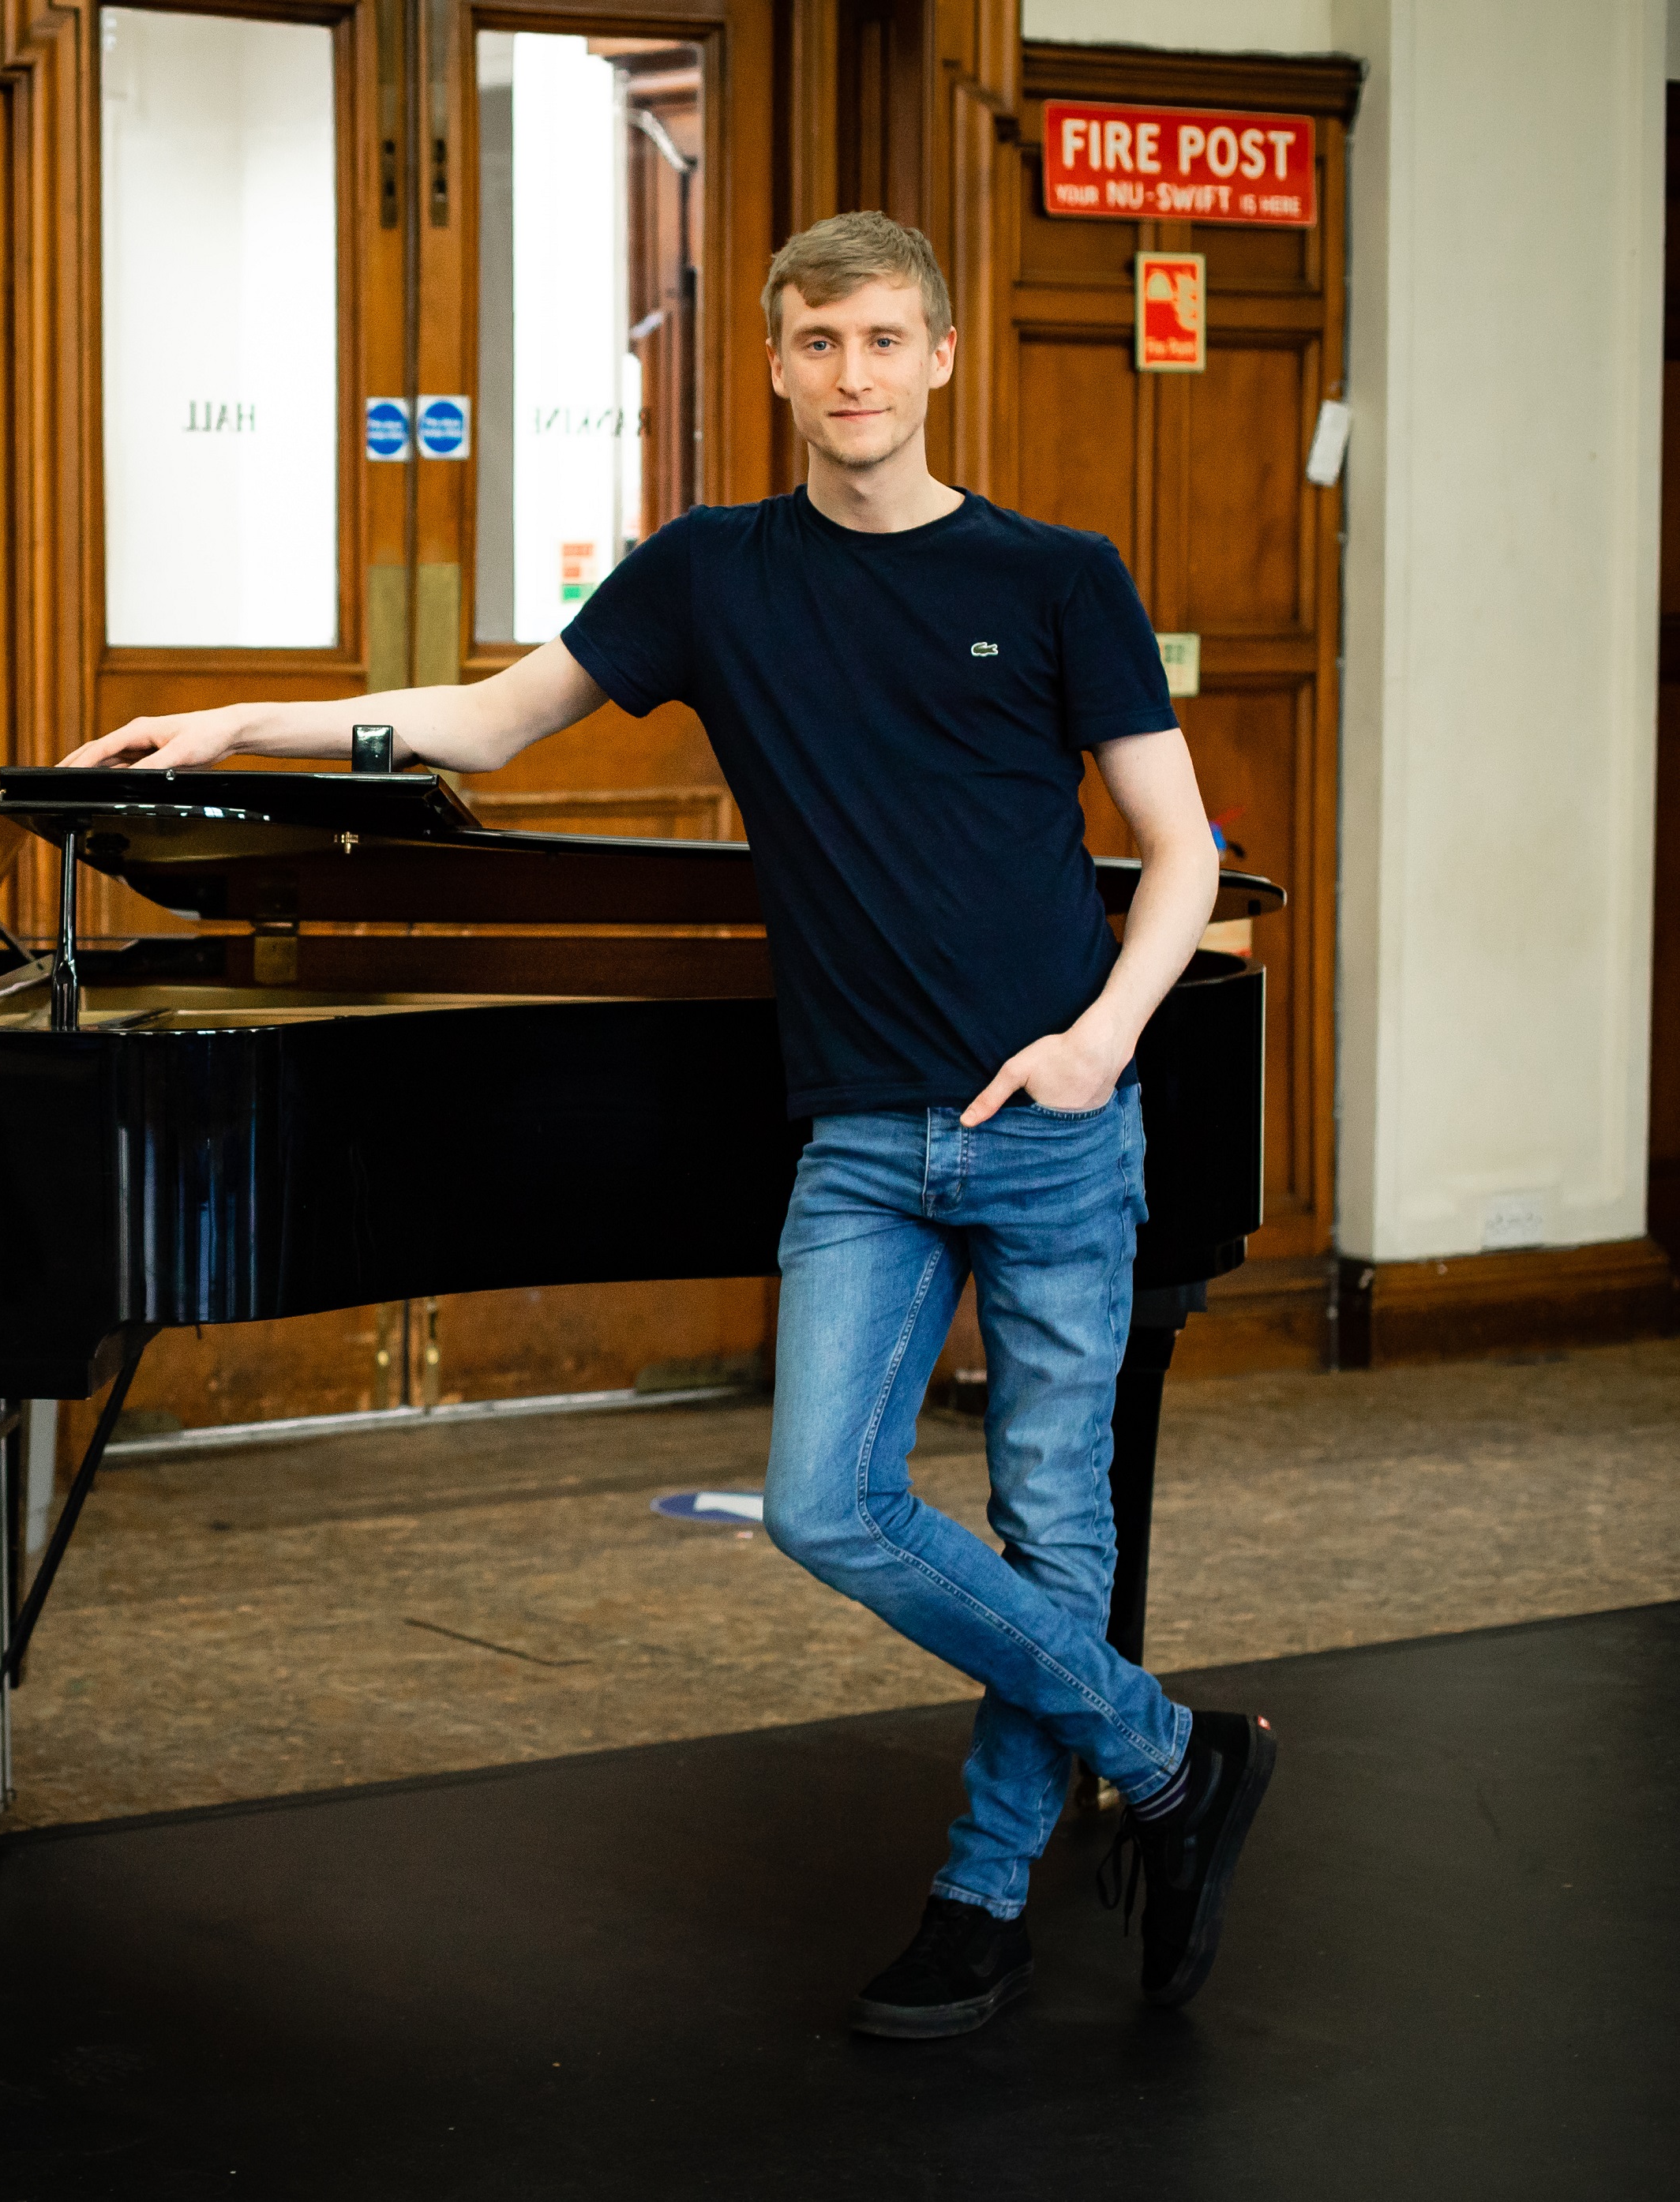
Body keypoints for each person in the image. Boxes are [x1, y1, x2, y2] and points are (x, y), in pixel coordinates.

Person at [63, 211, 1273, 2038]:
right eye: (815, 344)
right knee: (822, 1507)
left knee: (1055, 1530)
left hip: (1053, 1120)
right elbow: (484, 724)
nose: (851, 375)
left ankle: (983, 1896)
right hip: (860, 1129)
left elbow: (1179, 849)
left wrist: (1107, 1040)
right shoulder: (710, 571)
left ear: (940, 356)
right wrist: (239, 720)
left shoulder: (1057, 575)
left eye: (881, 340)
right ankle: (1177, 1759)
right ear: (775, 365)